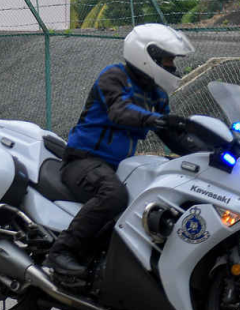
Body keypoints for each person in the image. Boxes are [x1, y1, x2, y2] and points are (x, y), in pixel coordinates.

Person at [45, 23, 195, 276]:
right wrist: (152, 119)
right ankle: (61, 252)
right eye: (167, 60)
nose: (172, 66)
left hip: (116, 167)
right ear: (148, 57)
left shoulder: (156, 95)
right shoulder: (114, 76)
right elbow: (119, 111)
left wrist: (206, 153)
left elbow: (171, 135)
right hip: (82, 161)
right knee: (113, 196)